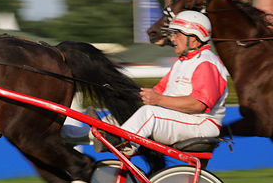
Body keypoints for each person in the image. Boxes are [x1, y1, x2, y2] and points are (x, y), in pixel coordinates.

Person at [90, 10, 227, 152]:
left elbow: (198, 104)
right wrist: (119, 92)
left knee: (149, 113)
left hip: (201, 123)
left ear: (194, 37)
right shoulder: (183, 62)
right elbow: (156, 92)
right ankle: (74, 134)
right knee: (125, 114)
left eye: (177, 34)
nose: (172, 39)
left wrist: (159, 100)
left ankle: (122, 143)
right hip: (184, 119)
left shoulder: (205, 62)